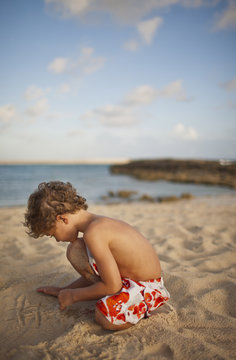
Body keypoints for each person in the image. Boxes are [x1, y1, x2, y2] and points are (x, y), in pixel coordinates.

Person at [24, 181, 170, 331]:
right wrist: (65, 290)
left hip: (148, 287)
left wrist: (74, 296)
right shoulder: (95, 225)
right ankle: (117, 298)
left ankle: (146, 310)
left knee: (103, 317)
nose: (57, 239)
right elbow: (103, 274)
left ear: (62, 219)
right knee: (75, 251)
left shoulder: (94, 233)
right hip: (126, 281)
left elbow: (113, 286)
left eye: (53, 234)